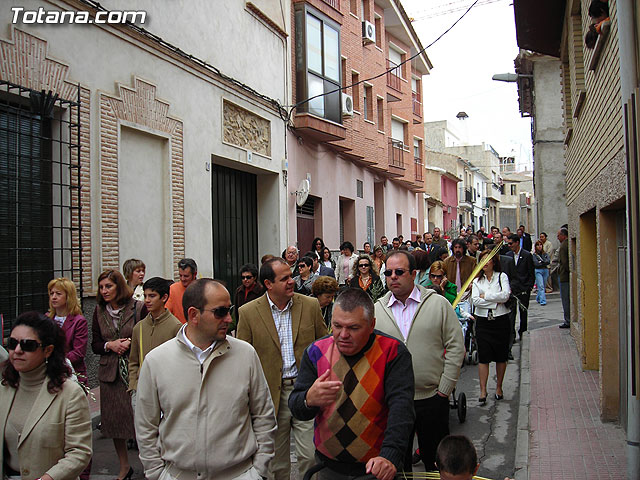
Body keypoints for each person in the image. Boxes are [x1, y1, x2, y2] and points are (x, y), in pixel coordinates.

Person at [135, 279, 277, 480]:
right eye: (220, 312)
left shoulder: (245, 355)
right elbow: (145, 427)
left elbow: (264, 416)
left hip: (240, 474)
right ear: (194, 315)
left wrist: (259, 471)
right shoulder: (157, 361)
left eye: (230, 310)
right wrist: (158, 474)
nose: (229, 319)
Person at [289, 288, 415, 480]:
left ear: (372, 325)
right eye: (337, 326)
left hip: (375, 470)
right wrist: (308, 400)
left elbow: (402, 409)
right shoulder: (316, 351)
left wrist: (389, 455)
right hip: (327, 467)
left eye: (354, 328)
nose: (343, 335)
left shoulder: (393, 352)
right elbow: (297, 407)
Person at [237, 258, 327, 480]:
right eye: (284, 278)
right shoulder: (248, 313)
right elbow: (242, 359)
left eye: (291, 276)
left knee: (310, 455)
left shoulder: (310, 305)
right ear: (268, 284)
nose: (291, 282)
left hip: (305, 390)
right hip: (270, 395)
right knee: (276, 462)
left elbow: (325, 346)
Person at [374, 251, 464, 472]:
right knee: (398, 463)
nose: (393, 276)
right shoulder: (377, 310)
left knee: (436, 463)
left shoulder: (438, 304)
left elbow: (456, 345)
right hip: (393, 402)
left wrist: (445, 387)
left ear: (413, 274)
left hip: (432, 398)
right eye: (388, 272)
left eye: (399, 272)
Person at [1, 312, 92, 480]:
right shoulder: (4, 388)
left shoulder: (70, 394)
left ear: (48, 350)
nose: (18, 350)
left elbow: (79, 453)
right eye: (12, 343)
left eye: (28, 345)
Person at [91, 270, 146, 480]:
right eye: (102, 287)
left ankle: (147, 463)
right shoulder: (98, 311)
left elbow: (145, 334)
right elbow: (95, 344)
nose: (104, 291)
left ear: (119, 287)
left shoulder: (137, 308)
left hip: (134, 371)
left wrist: (130, 343)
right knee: (114, 422)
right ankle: (124, 466)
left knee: (139, 419)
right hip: (109, 374)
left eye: (109, 286)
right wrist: (110, 345)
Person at [127, 277, 181, 410]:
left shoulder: (176, 327)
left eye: (152, 296)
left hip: (166, 392)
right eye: (145, 296)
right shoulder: (138, 328)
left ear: (164, 297)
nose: (147, 300)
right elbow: (133, 360)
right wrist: (133, 384)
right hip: (141, 390)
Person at [471, 250, 511, 403]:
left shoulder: (502, 277)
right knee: (484, 357)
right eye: (482, 260)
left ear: (494, 262)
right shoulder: (476, 281)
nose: (485, 262)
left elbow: (505, 295)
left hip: (500, 320)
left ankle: (499, 387)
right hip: (483, 321)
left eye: (488, 259)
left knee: (501, 356)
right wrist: (496, 301)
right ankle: (483, 390)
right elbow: (475, 300)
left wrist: (486, 296)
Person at [46, 277, 88, 385]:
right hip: (48, 373)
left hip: (71, 373)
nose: (54, 297)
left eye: (58, 294)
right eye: (51, 293)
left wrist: (55, 360)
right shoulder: (46, 319)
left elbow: (78, 353)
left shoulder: (79, 321)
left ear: (68, 296)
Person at [505, 234, 535, 341]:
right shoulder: (508, 255)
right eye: (508, 243)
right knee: (511, 313)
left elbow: (531, 272)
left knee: (523, 311)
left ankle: (523, 332)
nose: (509, 245)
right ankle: (511, 335)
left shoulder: (526, 255)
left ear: (517, 243)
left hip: (524, 288)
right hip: (512, 289)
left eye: (511, 243)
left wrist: (529, 286)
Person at [231, 263, 265, 332]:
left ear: (255, 277)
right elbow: (237, 312)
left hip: (257, 326)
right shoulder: (239, 291)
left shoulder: (261, 291)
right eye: (243, 277)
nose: (245, 280)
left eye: (248, 277)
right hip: (242, 326)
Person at [165, 258, 198, 324]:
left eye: (186, 276)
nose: (182, 279)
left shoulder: (203, 289)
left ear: (194, 274)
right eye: (180, 275)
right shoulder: (173, 289)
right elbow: (167, 312)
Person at [557, 228, 571, 328]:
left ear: (563, 235)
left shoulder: (563, 246)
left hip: (564, 277)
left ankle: (568, 320)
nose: (557, 238)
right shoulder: (567, 244)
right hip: (565, 276)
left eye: (558, 236)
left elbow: (565, 262)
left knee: (565, 299)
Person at [532, 241, 550, 306]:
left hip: (545, 270)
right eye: (538, 245)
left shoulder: (545, 254)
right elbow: (536, 263)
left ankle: (538, 297)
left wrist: (541, 262)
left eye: (540, 245)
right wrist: (542, 262)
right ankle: (543, 301)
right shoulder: (534, 255)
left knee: (543, 285)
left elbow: (548, 261)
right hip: (538, 271)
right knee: (541, 285)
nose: (539, 246)